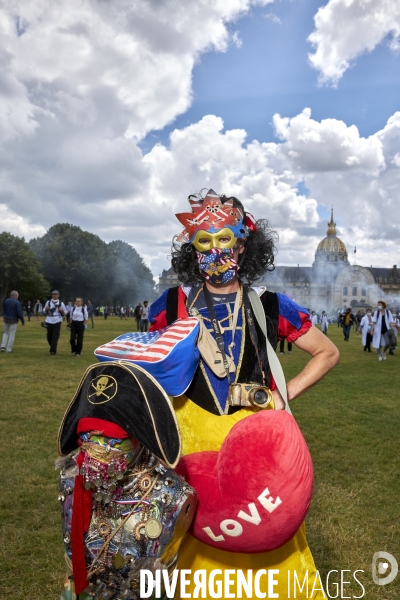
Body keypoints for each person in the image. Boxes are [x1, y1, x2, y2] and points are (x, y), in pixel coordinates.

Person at [148, 189, 339, 598]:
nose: (216, 249)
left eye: (226, 239)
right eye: (204, 240)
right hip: (189, 451)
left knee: (267, 545)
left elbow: (327, 352)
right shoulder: (167, 305)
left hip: (255, 450)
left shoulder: (270, 304)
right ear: (190, 246)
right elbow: (144, 377)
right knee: (191, 545)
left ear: (243, 244)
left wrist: (282, 397)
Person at [57, 361, 197, 599]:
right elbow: (72, 554)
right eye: (88, 437)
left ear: (139, 438)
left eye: (112, 440)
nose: (97, 449)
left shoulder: (173, 496)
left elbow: (159, 580)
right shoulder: (73, 477)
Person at [44, 291, 66, 355]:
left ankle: (53, 350)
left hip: (57, 320)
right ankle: (53, 346)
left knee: (55, 336)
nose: (54, 295)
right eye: (53, 294)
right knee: (49, 336)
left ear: (58, 295)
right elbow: (43, 310)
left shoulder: (61, 303)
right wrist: (46, 309)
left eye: (55, 294)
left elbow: (65, 312)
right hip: (49, 320)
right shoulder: (48, 302)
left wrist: (61, 310)